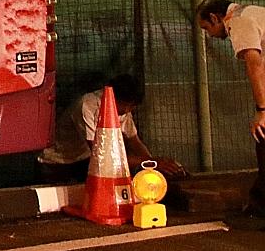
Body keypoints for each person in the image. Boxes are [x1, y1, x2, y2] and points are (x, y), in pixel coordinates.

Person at [38, 75, 187, 191]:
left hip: (84, 161)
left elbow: (134, 140)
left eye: (132, 107)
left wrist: (154, 167)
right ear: (115, 98)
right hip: (57, 164)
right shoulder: (86, 106)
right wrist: (154, 162)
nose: (128, 111)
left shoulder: (122, 110)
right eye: (127, 106)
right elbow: (103, 155)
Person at [196, 0, 265, 220]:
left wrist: (262, 111)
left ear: (215, 18)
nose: (209, 34)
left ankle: (259, 209)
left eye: (207, 28)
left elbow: (255, 65)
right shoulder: (253, 11)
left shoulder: (240, 22)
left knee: (263, 136)